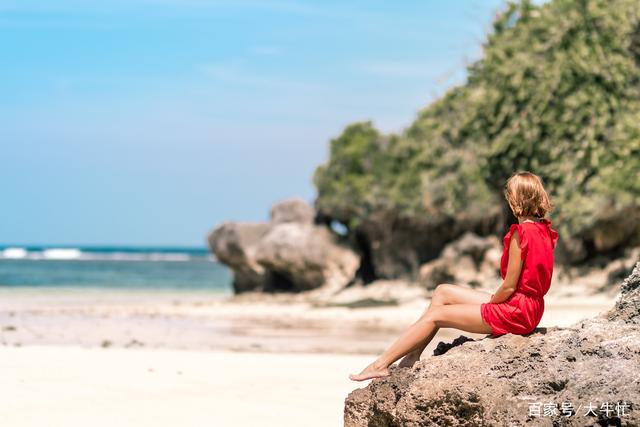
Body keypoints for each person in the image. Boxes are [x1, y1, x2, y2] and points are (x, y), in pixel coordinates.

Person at [349, 171, 559, 382]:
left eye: (510, 194)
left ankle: (380, 364)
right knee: (443, 292)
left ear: (517, 198)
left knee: (436, 316)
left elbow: (509, 286)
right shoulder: (544, 231)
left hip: (516, 311)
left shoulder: (520, 233)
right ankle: (412, 355)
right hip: (529, 306)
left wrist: (494, 302)